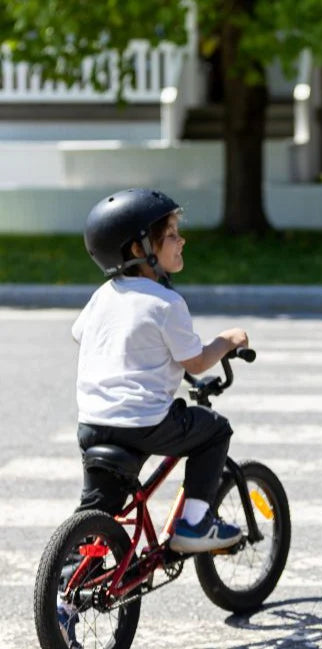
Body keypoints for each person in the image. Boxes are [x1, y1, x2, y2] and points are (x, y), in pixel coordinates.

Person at [72, 188, 246, 554]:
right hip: (144, 422)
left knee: (99, 507)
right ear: (139, 250)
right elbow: (196, 361)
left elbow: (82, 336)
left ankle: (67, 581)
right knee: (214, 431)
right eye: (170, 235)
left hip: (93, 422)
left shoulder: (103, 296)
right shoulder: (167, 303)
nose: (182, 240)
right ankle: (195, 523)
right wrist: (227, 341)